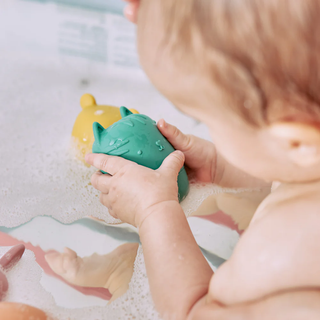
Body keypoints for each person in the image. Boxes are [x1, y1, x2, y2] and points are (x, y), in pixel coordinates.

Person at [50, 0, 320, 318]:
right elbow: (291, 176)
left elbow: (194, 312)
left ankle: (117, 272)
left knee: (144, 262)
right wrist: (220, 167)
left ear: (296, 140)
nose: (210, 132)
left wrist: (155, 211)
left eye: (210, 122)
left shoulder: (281, 249)